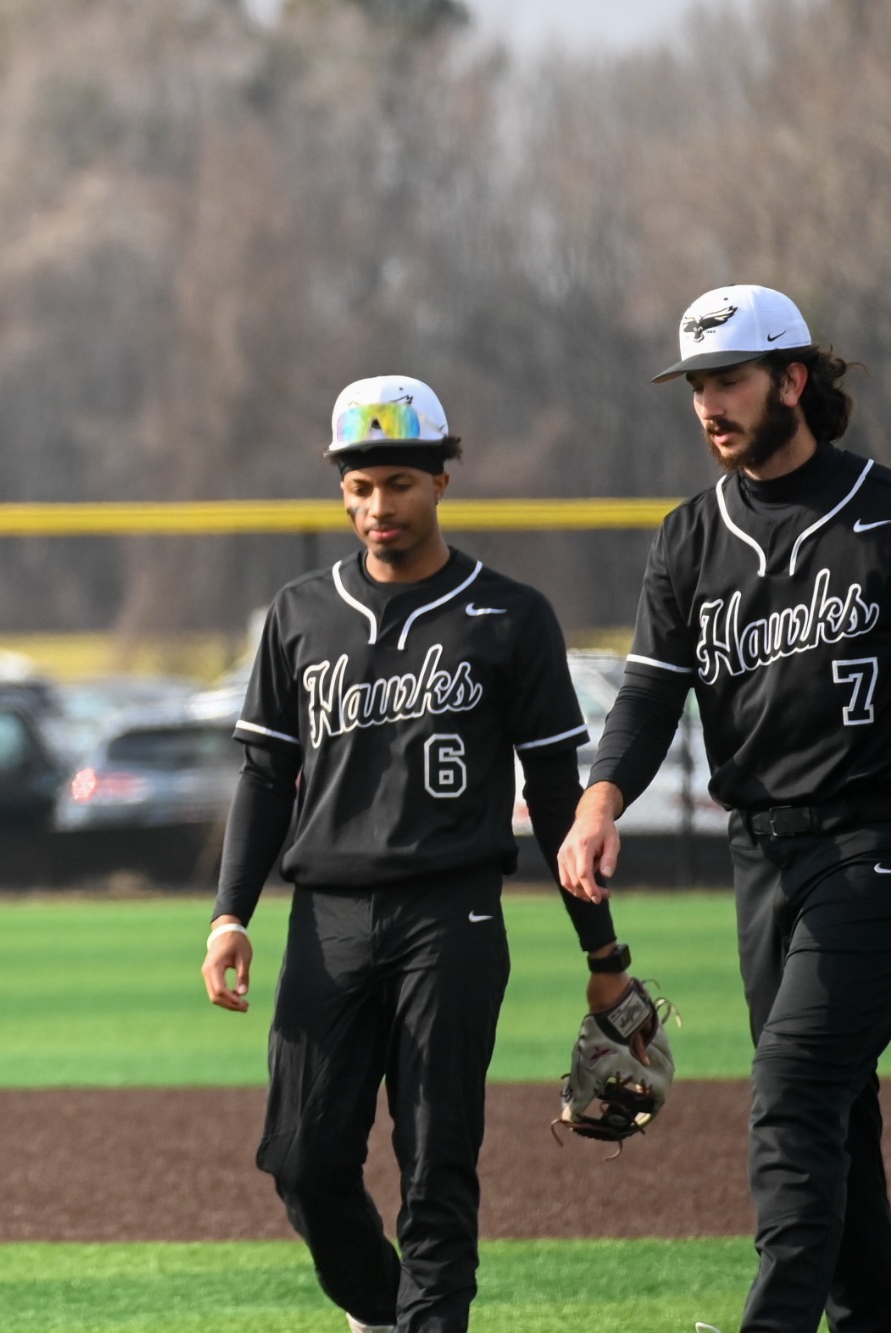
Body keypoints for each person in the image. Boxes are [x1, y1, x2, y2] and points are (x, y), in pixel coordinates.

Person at [199, 376, 634, 1333]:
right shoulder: (300, 612)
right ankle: (386, 1311)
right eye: (358, 485)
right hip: (328, 921)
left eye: (398, 480)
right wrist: (232, 915)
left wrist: (603, 955)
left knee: (439, 1161)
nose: (377, 505)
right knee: (303, 1162)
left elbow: (561, 796)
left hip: (455, 915)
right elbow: (265, 779)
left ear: (443, 478)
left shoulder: (509, 615)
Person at [559, 285, 891, 1333]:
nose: (707, 403)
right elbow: (650, 693)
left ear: (791, 380)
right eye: (695, 384)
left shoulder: (880, 513)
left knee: (791, 1087)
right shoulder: (688, 539)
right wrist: (598, 800)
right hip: (761, 857)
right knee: (836, 1109)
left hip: (871, 842)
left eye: (728, 380)